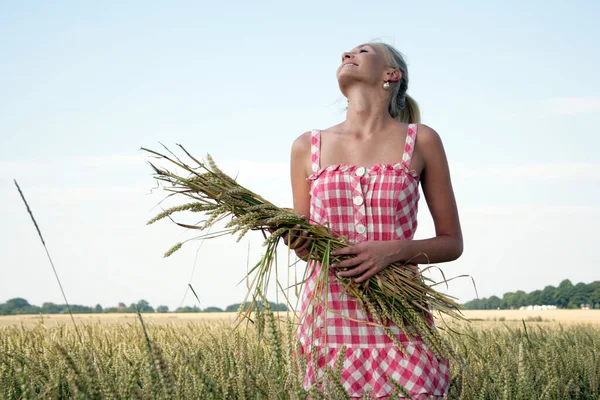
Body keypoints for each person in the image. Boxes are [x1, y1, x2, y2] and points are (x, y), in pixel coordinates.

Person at [283, 42, 463, 399]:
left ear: (390, 75)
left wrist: (393, 251)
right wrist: (295, 240)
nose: (345, 55)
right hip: (331, 317)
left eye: (362, 51)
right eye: (346, 52)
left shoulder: (421, 140)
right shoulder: (307, 145)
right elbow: (306, 246)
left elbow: (452, 242)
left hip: (400, 318)